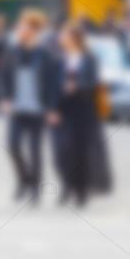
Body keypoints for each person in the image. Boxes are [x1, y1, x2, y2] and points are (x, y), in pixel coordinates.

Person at [0, 10, 59, 202]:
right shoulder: (13, 52)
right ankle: (24, 179)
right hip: (18, 108)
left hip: (37, 109)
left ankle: (35, 188)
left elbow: (52, 83)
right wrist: (5, 98)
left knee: (35, 150)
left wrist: (51, 108)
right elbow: (3, 77)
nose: (18, 30)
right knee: (13, 145)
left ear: (33, 30)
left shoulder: (45, 55)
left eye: (22, 27)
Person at [53, 20, 101, 207]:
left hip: (83, 108)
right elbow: (52, 84)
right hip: (63, 108)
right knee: (61, 151)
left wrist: (77, 86)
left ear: (74, 38)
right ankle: (67, 184)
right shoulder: (59, 59)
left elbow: (93, 83)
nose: (61, 38)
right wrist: (52, 107)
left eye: (64, 35)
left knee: (79, 151)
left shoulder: (89, 59)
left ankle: (81, 189)